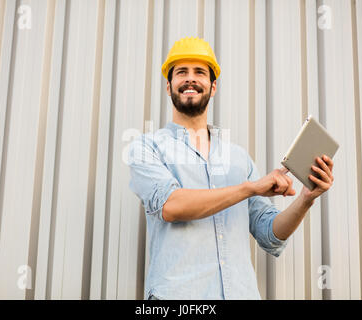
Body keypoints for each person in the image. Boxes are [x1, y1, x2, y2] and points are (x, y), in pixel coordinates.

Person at [128, 37, 334, 300]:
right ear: (169, 87)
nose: (190, 79)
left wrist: (306, 198)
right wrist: (250, 188)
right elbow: (172, 206)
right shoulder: (146, 148)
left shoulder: (238, 158)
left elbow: (270, 234)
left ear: (213, 87)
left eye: (200, 72)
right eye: (181, 72)